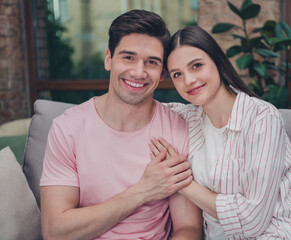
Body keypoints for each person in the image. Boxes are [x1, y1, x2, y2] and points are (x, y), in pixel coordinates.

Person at [150, 26, 291, 239]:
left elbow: (253, 221)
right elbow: (140, 109)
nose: (188, 80)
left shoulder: (262, 118)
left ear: (217, 61)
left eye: (196, 66)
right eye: (177, 74)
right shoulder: (186, 118)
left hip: (278, 233)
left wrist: (181, 182)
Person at [40, 10, 203, 240]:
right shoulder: (67, 129)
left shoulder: (178, 129)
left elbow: (188, 229)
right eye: (128, 57)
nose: (138, 72)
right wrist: (143, 191)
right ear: (109, 59)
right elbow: (55, 231)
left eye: (151, 62)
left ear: (162, 73)